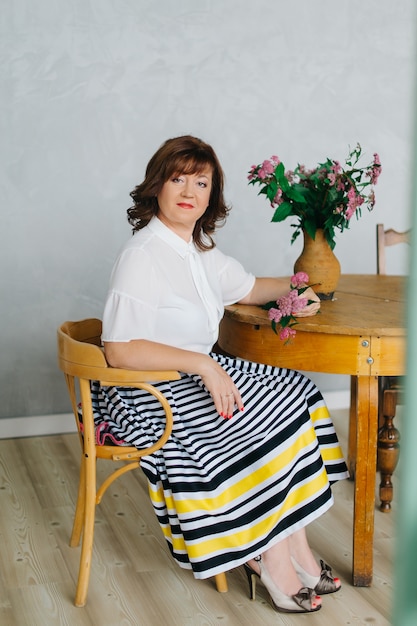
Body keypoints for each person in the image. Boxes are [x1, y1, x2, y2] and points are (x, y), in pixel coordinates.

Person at [91, 135, 349, 615]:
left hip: (188, 376)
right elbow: (118, 349)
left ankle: (296, 549)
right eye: (178, 178)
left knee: (295, 397)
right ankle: (270, 559)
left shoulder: (199, 252)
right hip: (144, 392)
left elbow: (251, 287)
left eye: (201, 181)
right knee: (253, 426)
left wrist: (299, 289)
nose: (189, 190)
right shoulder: (143, 254)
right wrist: (205, 364)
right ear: (158, 186)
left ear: (211, 196)